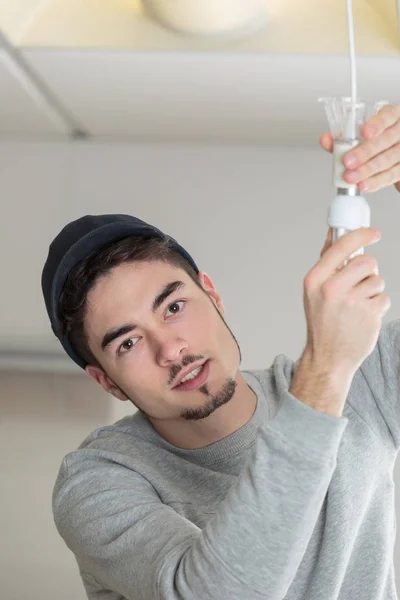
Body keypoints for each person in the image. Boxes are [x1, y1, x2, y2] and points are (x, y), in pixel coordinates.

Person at [41, 106, 400, 600]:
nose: (170, 348)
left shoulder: (364, 380)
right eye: (127, 342)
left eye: (173, 306)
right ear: (106, 380)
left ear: (211, 292)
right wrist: (325, 369)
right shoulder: (98, 481)